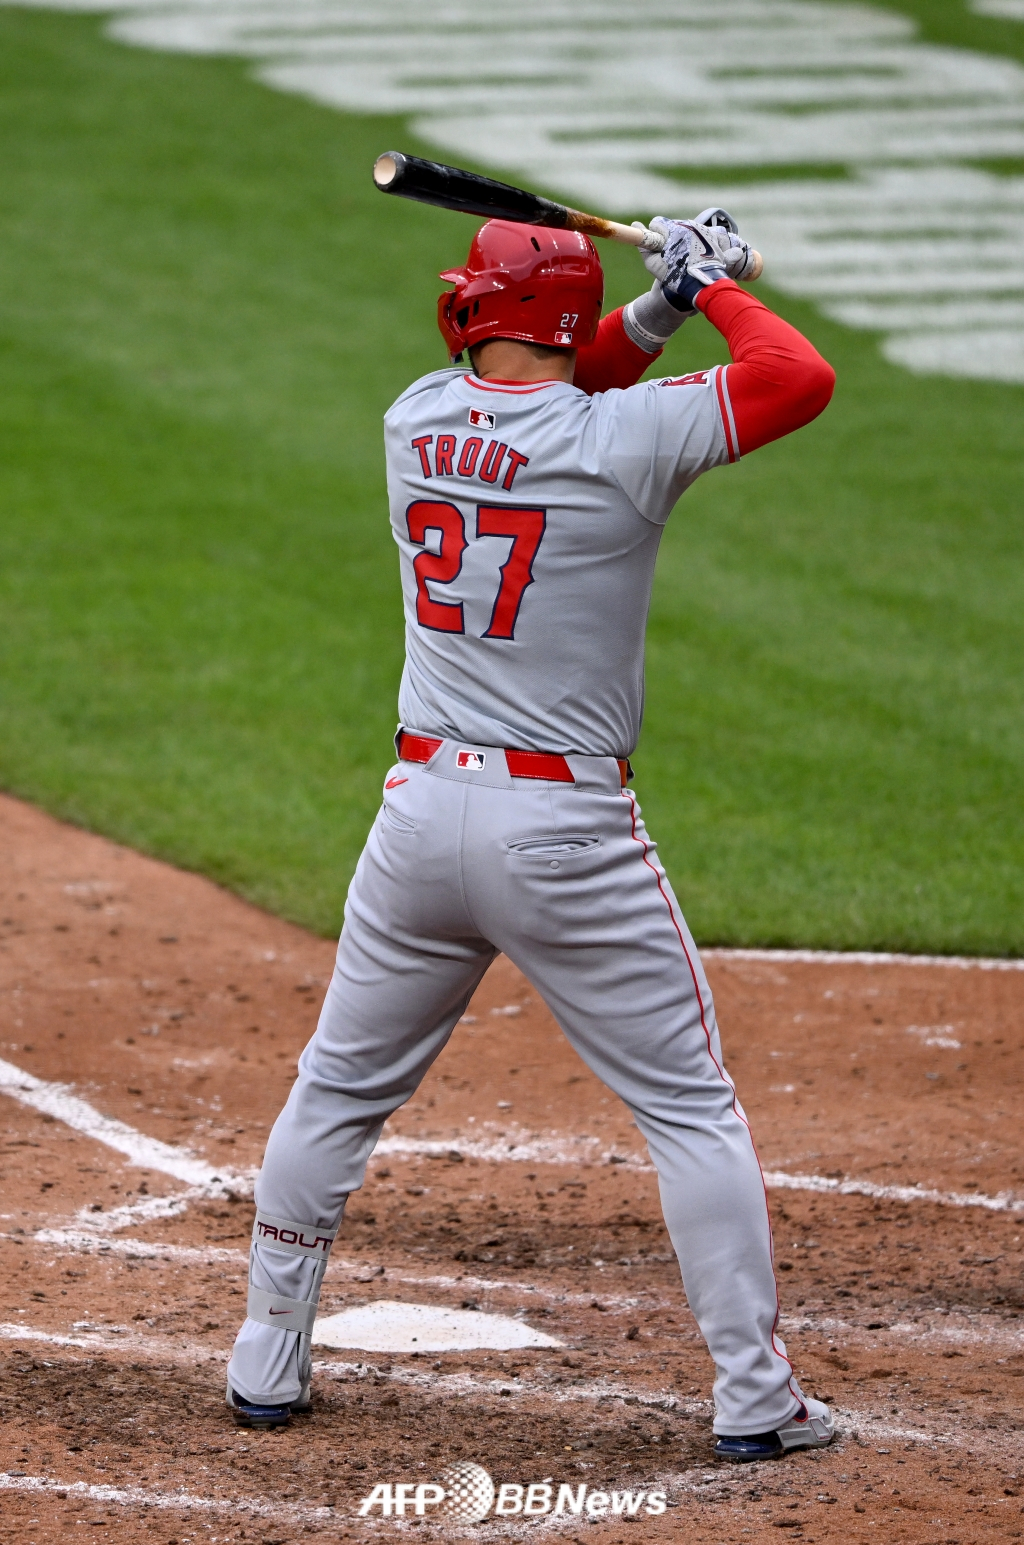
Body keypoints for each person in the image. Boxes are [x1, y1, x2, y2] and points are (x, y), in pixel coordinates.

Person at [225, 214, 837, 1463]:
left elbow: (562, 375)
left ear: (474, 312)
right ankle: (755, 1399)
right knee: (687, 1109)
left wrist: (659, 304)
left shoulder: (412, 419)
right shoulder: (626, 442)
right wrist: (709, 290)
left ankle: (264, 1359)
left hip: (416, 821)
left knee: (335, 1090)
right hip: (566, 836)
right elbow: (796, 377)